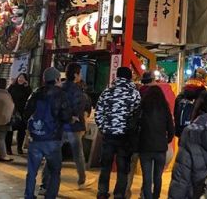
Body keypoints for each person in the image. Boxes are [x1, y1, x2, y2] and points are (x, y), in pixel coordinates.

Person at [41, 63, 94, 192]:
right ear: (76, 74)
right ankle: (81, 180)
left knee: (52, 154)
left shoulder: (60, 86)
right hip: (73, 127)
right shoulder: (77, 91)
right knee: (78, 154)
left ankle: (44, 184)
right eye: (80, 73)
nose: (80, 75)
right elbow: (78, 109)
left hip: (59, 126)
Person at [24, 67, 72, 199]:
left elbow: (26, 113)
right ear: (57, 79)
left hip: (35, 137)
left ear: (44, 79)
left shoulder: (36, 93)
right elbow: (66, 116)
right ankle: (50, 196)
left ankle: (28, 195)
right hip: (53, 140)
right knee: (55, 171)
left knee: (31, 171)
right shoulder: (61, 95)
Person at [95, 66, 141, 199]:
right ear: (129, 77)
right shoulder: (134, 94)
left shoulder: (107, 92)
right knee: (123, 168)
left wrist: (103, 128)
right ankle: (119, 194)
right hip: (125, 137)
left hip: (108, 135)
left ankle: (102, 192)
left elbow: (98, 112)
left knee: (105, 166)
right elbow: (137, 115)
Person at [138, 86, 175, 199]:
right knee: (158, 177)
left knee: (147, 177)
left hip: (145, 147)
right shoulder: (165, 108)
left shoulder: (142, 107)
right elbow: (171, 129)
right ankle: (156, 196)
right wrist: (166, 141)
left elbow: (135, 124)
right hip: (160, 148)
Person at [174, 67, 207, 137]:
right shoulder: (203, 93)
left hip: (182, 130)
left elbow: (176, 109)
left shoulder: (184, 90)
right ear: (203, 78)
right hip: (196, 131)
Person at [6, 72, 31, 155]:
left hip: (22, 113)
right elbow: (7, 95)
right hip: (12, 112)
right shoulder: (12, 87)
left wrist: (27, 87)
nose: (20, 79)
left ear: (25, 80)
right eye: (19, 77)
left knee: (21, 132)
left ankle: (19, 148)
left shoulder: (27, 88)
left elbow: (30, 97)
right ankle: (8, 148)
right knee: (10, 131)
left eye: (23, 78)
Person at [0, 77, 14, 162]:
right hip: (5, 121)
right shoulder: (8, 95)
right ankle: (3, 156)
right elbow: (12, 107)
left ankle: (3, 156)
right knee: (1, 139)